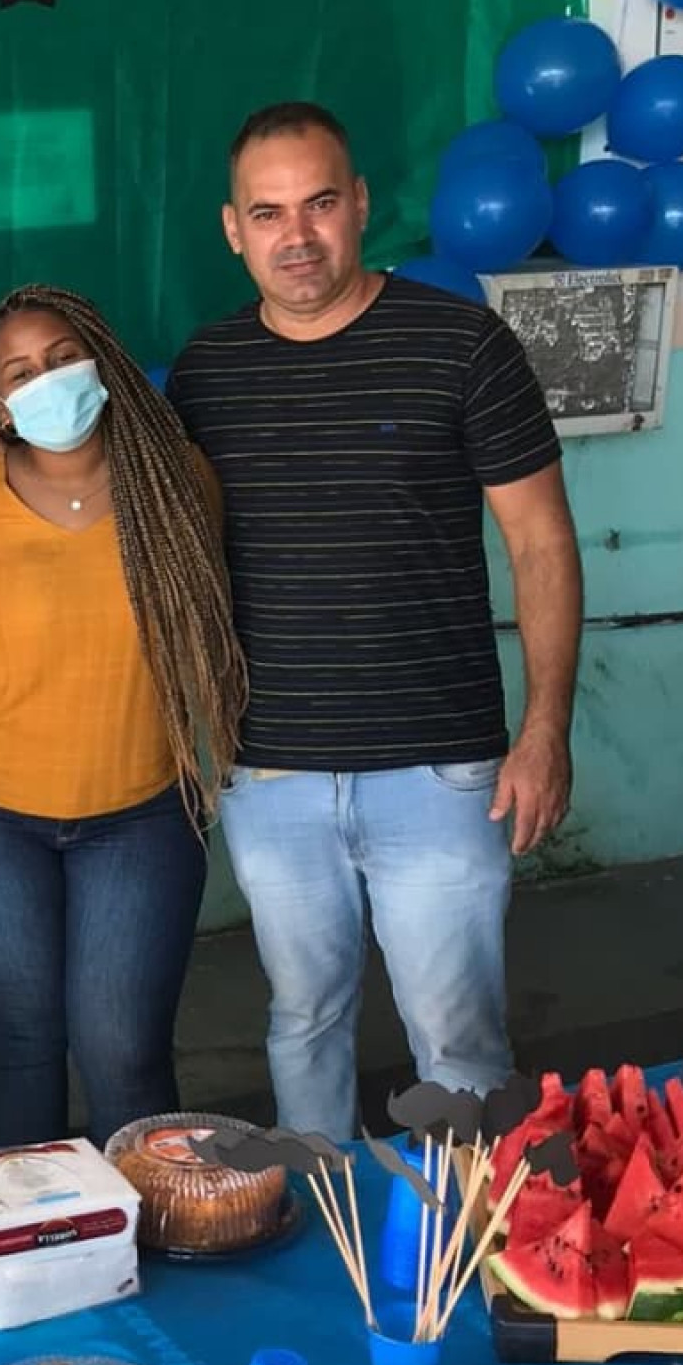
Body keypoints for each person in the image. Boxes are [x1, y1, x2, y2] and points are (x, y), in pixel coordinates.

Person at [171, 101, 582, 1140]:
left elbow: (541, 543)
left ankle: (480, 1258)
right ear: (233, 228)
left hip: (439, 771)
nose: (295, 236)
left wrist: (544, 733)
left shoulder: (461, 346)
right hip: (273, 774)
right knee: (303, 1022)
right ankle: (324, 1246)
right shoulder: (206, 373)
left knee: (460, 1041)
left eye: (318, 203)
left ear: (359, 205)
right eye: (268, 213)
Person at [0, 284, 247, 1150]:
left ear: (102, 358)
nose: (46, 382)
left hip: (140, 812)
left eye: (62, 358)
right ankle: (34, 1245)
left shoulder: (179, 486)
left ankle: (147, 1245)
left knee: (125, 1046)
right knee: (23, 1034)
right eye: (18, 373)